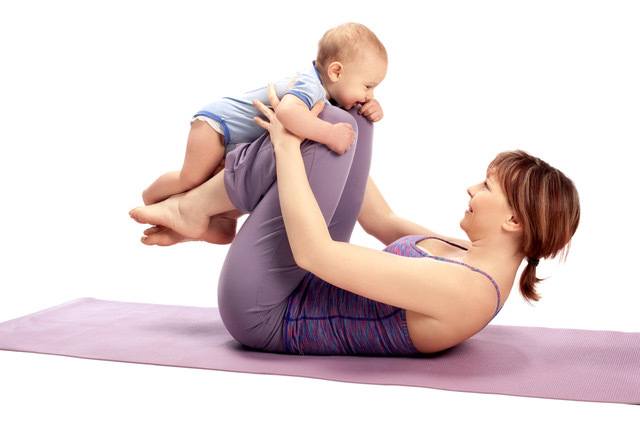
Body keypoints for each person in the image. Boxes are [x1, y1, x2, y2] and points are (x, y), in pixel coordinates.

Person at [128, 85, 580, 356]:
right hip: (295, 283)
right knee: (344, 125)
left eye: (486, 187)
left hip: (265, 313)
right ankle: (211, 213)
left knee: (315, 137)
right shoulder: (466, 256)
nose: (471, 189)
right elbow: (380, 220)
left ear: (515, 219)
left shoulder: (468, 291)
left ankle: (194, 208)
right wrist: (357, 123)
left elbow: (315, 253)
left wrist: (289, 146)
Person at [136, 22, 387, 244]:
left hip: (238, 144)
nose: (369, 95)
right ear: (336, 72)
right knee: (191, 178)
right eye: (368, 86)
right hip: (217, 127)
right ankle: (154, 199)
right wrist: (329, 134)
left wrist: (371, 107)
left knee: (237, 182)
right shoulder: (310, 85)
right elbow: (288, 114)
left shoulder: (329, 94)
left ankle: (220, 222)